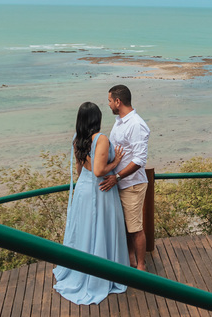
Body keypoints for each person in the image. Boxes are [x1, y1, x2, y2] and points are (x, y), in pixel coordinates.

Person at [53, 101, 129, 305]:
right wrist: (116, 162)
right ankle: (100, 276)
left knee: (85, 231)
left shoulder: (77, 139)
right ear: (97, 119)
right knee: (100, 230)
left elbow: (80, 170)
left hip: (83, 190)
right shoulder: (100, 139)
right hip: (100, 190)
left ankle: (82, 269)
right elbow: (98, 171)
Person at [101, 84, 151, 270]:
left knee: (135, 228)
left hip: (131, 184)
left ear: (118, 101)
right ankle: (130, 261)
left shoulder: (136, 125)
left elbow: (139, 160)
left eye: (109, 101)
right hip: (120, 183)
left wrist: (117, 177)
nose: (108, 104)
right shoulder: (120, 122)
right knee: (125, 226)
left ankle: (141, 267)